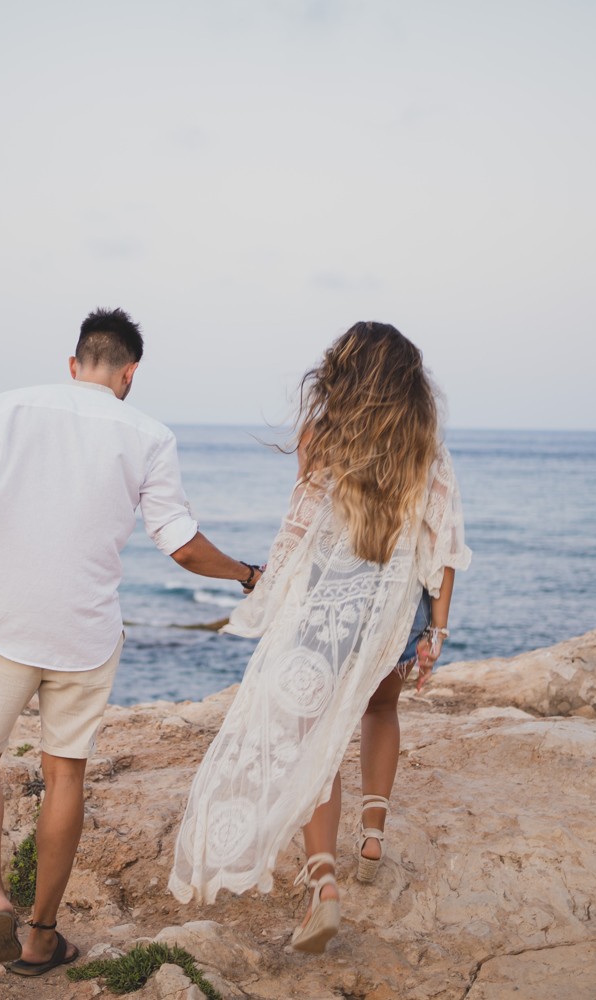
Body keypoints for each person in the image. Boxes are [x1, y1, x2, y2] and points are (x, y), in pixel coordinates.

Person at [0, 307, 261, 977]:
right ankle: (38, 940)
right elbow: (178, 543)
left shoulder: (9, 406)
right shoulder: (150, 434)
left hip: (4, 619)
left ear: (73, 363)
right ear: (129, 374)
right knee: (64, 774)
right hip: (84, 631)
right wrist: (247, 573)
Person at [167, 321, 470, 954]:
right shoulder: (426, 446)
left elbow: (300, 531)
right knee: (379, 709)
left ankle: (324, 884)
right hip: (397, 615)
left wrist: (265, 590)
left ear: (343, 374)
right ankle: (374, 835)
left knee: (317, 742)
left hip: (327, 613)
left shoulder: (320, 438)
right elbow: (441, 548)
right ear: (407, 382)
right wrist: (436, 629)